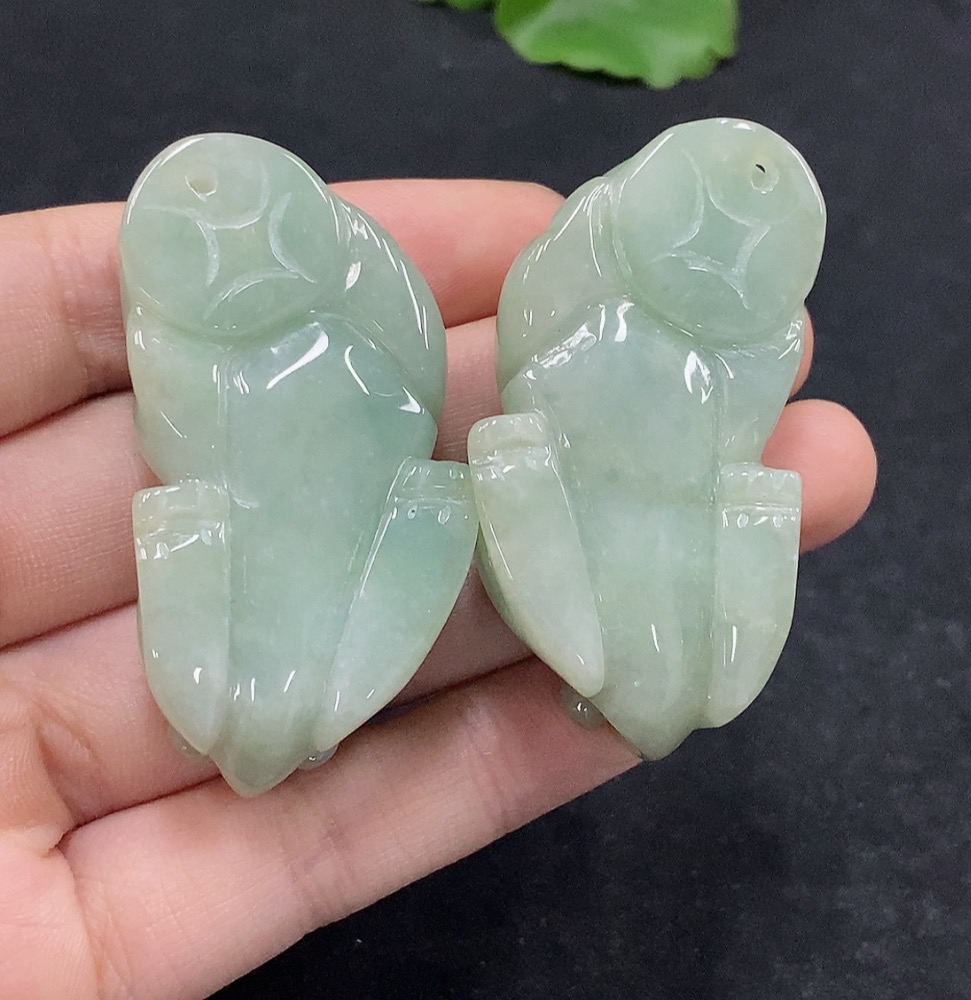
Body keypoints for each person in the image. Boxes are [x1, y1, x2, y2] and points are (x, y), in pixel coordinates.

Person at [0, 179, 876, 999]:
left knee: (481, 508)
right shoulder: (222, 368)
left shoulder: (641, 344)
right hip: (331, 552)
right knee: (443, 510)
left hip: (461, 542)